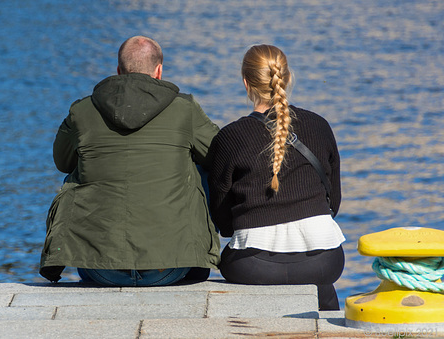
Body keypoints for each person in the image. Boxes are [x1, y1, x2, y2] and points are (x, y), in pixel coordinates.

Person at [39, 36, 221, 286]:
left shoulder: (81, 111)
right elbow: (221, 154)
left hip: (99, 269)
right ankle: (196, 252)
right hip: (172, 268)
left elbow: (62, 162)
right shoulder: (185, 109)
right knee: (200, 167)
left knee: (77, 170)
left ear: (118, 71)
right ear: (159, 71)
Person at [207, 44, 345, 310]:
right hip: (324, 261)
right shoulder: (319, 125)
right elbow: (333, 204)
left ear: (246, 83)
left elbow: (223, 222)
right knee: (323, 290)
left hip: (253, 267)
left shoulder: (229, 138)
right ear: (288, 77)